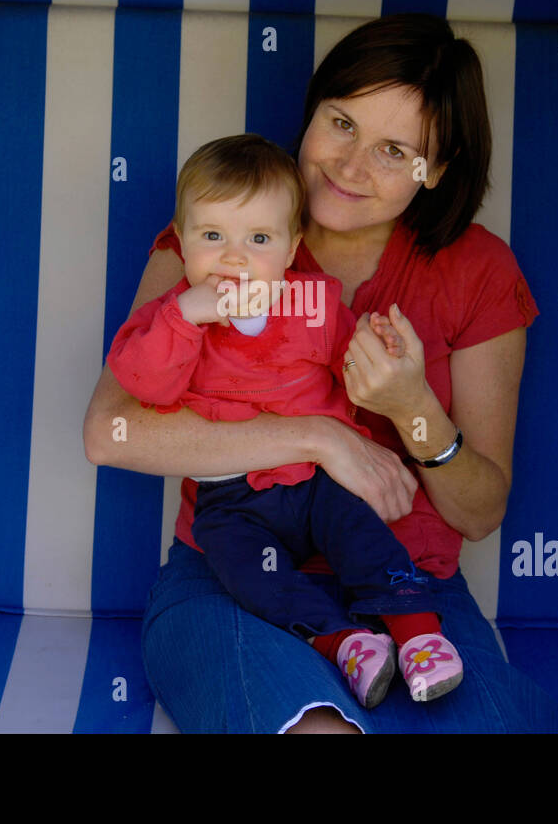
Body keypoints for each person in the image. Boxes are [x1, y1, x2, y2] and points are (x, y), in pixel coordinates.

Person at [84, 12, 558, 733]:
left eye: (394, 150)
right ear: (310, 111)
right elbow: (112, 431)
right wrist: (319, 436)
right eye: (341, 123)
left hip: (412, 590)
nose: (351, 165)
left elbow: (478, 512)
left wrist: (412, 405)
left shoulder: (477, 271)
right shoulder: (216, 241)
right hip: (232, 581)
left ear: (436, 170)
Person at [105, 133, 465, 708]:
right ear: (181, 239)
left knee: (363, 534)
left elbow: (359, 375)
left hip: (315, 480)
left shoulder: (314, 304)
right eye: (212, 236)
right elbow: (143, 385)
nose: (234, 257)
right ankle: (343, 641)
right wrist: (185, 316)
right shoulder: (172, 314)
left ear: (293, 246)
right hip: (230, 496)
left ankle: (419, 634)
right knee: (242, 568)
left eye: (259, 239)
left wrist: (385, 352)